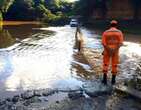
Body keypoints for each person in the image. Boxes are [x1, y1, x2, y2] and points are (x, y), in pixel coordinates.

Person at [102, 20, 124, 85]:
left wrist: (109, 49)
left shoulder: (105, 32)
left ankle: (104, 80)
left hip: (106, 50)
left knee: (105, 64)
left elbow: (103, 43)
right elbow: (120, 43)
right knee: (114, 65)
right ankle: (113, 81)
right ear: (116, 25)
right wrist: (114, 50)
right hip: (116, 51)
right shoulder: (119, 32)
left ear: (110, 25)